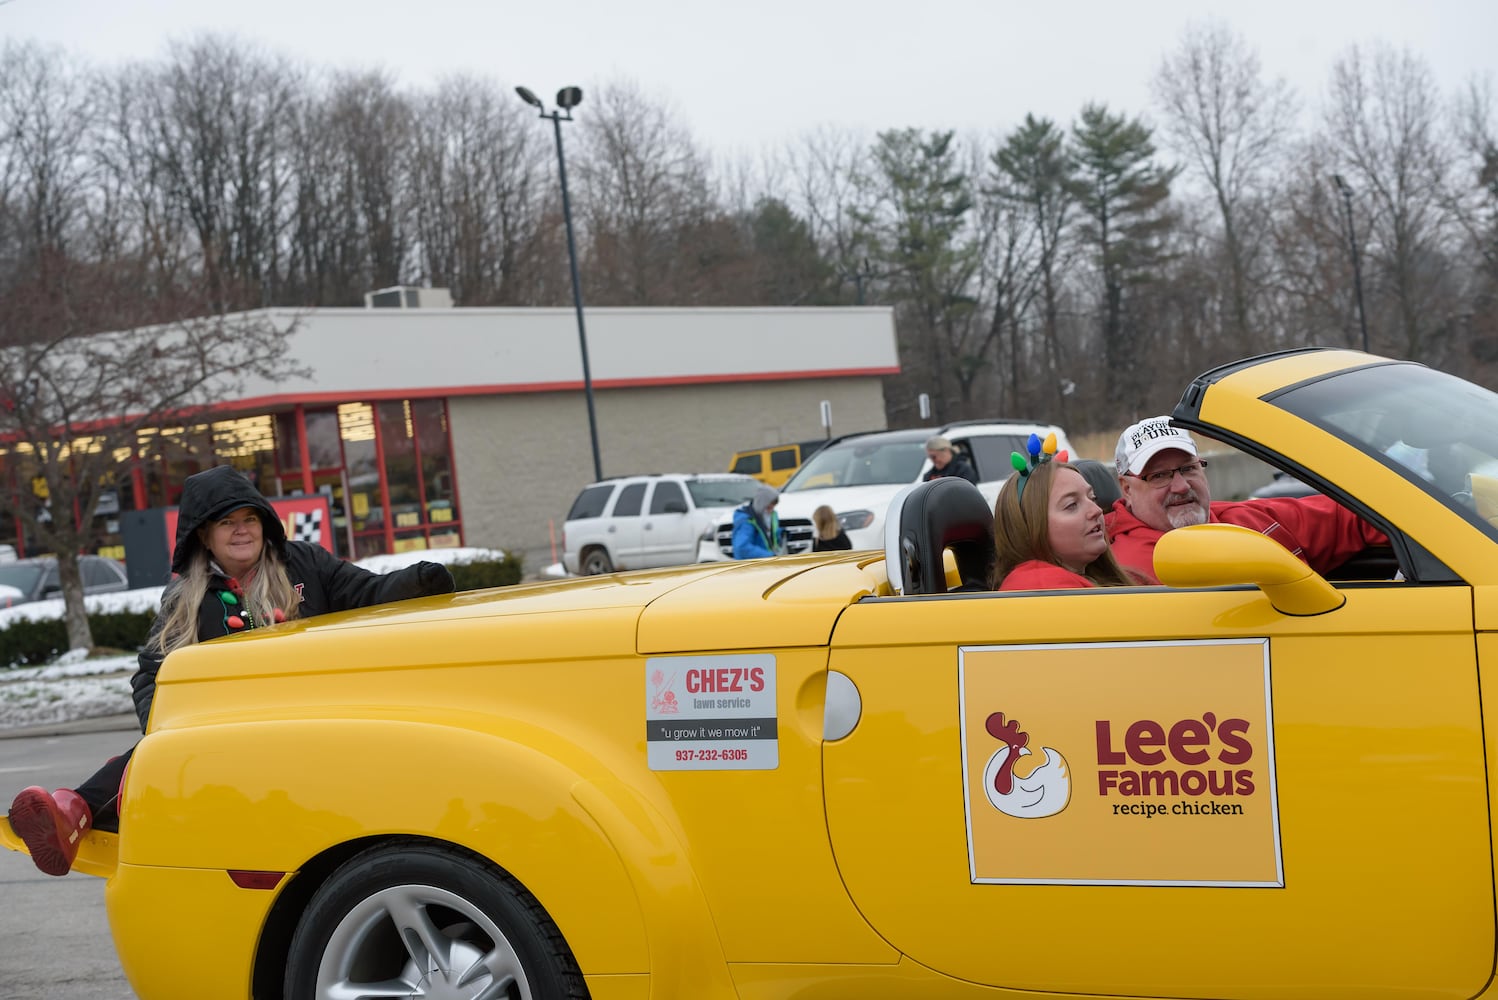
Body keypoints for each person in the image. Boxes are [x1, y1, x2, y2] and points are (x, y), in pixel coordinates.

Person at [7, 464, 456, 877]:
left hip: (316, 720)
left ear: (264, 524)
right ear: (204, 535)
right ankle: (68, 814)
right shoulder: (185, 598)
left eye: (249, 518)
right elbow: (151, 675)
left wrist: (418, 581)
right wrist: (163, 729)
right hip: (233, 735)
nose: (241, 529)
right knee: (154, 755)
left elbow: (367, 592)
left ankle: (83, 807)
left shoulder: (304, 563)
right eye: (227, 522)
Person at [1107, 416, 1387, 584]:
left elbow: (1351, 516)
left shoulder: (1246, 519)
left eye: (1188, 469)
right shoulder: (1125, 571)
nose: (1181, 486)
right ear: (1127, 489)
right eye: (1159, 476)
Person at [994, 446, 1138, 590]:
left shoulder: (1083, 579)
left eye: (1093, 498)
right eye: (1072, 505)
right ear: (1028, 527)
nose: (1097, 510)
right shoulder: (1044, 587)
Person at [732, 485, 785, 559]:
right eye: (769, 507)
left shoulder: (770, 515)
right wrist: (770, 556)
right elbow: (741, 548)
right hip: (753, 564)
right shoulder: (746, 521)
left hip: (766, 562)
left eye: (773, 507)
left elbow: (771, 537)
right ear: (762, 504)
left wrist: (782, 535)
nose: (771, 511)